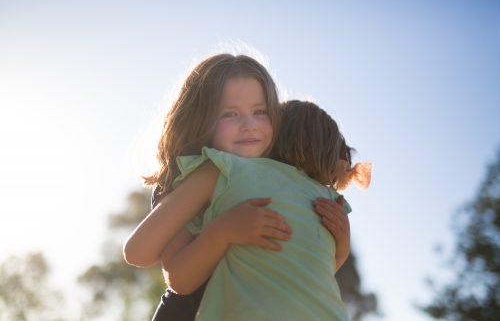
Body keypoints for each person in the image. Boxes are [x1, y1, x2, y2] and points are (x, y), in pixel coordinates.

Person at [123, 52, 358, 320]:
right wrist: (222, 231)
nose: (249, 126)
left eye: (260, 112)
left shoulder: (274, 180)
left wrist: (339, 245)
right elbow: (142, 256)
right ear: (200, 120)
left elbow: (295, 272)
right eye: (230, 114)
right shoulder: (195, 177)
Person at [158, 100, 371, 320]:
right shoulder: (326, 199)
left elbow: (293, 270)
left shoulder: (235, 171)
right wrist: (341, 251)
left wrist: (341, 249)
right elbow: (303, 275)